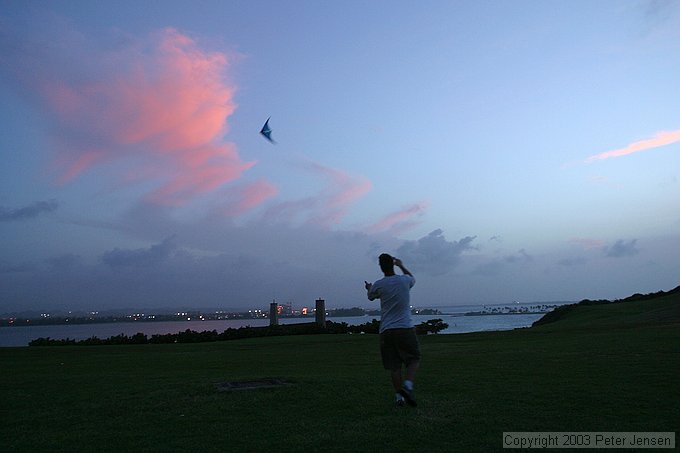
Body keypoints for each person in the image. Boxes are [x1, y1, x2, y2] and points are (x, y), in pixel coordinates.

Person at [364, 253, 420, 407]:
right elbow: (412, 278)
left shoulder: (379, 284)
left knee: (394, 366)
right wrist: (401, 265)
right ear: (392, 264)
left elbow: (370, 296)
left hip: (386, 330)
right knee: (413, 359)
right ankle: (407, 386)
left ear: (381, 267)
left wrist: (369, 288)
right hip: (405, 327)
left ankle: (399, 398)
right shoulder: (404, 280)